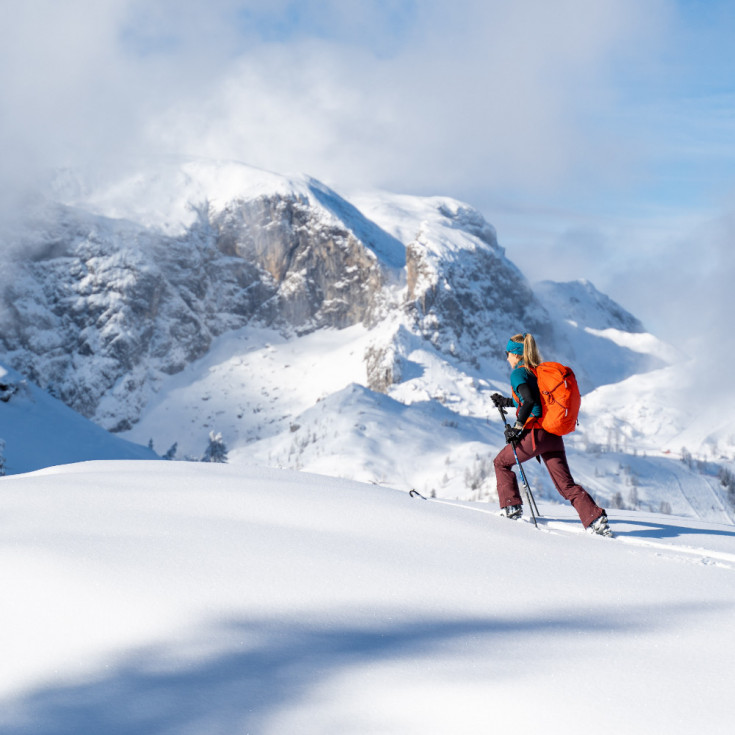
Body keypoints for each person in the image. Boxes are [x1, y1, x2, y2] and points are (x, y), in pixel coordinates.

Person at [491, 332, 612, 536]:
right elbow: (533, 400)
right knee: (566, 485)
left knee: (500, 463)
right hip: (552, 435)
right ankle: (595, 518)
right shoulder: (535, 371)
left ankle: (511, 507)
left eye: (507, 353)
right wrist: (506, 402)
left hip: (535, 435)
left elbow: (529, 401)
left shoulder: (518, 373)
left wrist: (518, 427)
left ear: (515, 354)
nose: (506, 358)